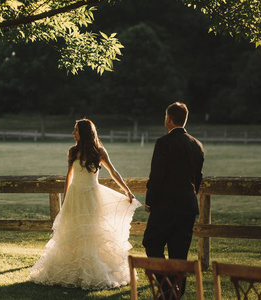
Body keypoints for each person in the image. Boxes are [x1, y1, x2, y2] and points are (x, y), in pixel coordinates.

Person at [28, 118, 141, 290]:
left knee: (91, 232)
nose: (73, 133)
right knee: (72, 232)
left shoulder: (99, 151)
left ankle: (92, 271)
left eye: (76, 130)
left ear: (84, 132)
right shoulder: (73, 151)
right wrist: (65, 199)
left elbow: (113, 172)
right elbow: (69, 176)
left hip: (91, 196)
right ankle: (71, 270)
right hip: (75, 196)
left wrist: (127, 191)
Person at [142, 102, 204, 297]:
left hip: (165, 206)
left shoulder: (163, 143)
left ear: (168, 119)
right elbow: (197, 179)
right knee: (180, 252)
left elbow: (157, 176)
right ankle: (176, 293)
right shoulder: (197, 145)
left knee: (151, 242)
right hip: (187, 206)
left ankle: (166, 286)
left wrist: (150, 201)